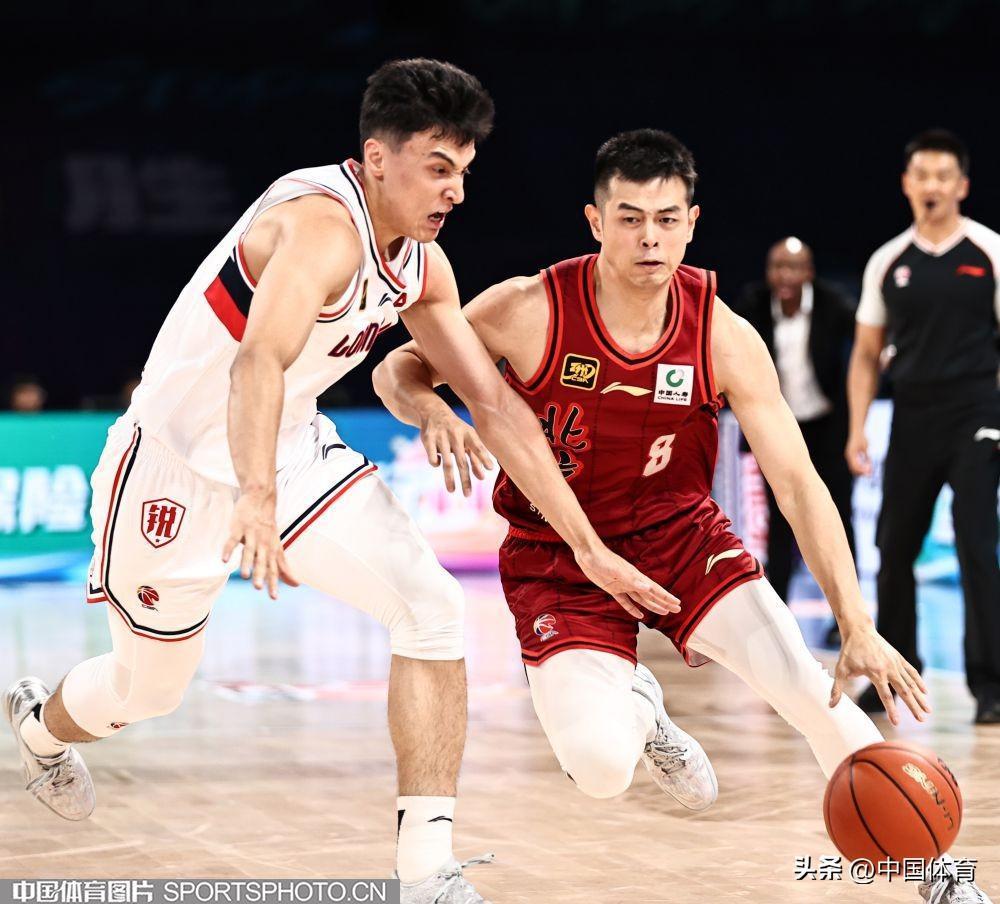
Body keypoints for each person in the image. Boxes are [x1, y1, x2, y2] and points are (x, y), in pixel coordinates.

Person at [3, 60, 674, 904]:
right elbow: (257, 361)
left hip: (291, 451)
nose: (456, 191)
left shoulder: (423, 266)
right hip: (174, 466)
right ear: (377, 158)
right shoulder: (320, 228)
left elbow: (496, 404)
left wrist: (588, 546)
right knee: (148, 691)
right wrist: (253, 497)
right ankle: (40, 726)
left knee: (430, 606)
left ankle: (425, 868)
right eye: (438, 167)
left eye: (465, 171)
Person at [375, 129, 991, 904]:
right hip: (559, 554)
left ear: (692, 223)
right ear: (595, 222)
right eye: (630, 218)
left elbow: (799, 483)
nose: (650, 238)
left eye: (667, 219)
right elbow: (398, 366)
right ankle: (643, 711)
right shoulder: (528, 308)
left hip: (678, 537)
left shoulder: (723, 334)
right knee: (600, 770)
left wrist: (856, 621)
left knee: (807, 686)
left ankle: (935, 875)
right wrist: (430, 408)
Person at [846, 129, 1000, 725]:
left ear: (961, 186)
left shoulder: (988, 251)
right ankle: (895, 672)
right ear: (907, 184)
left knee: (976, 544)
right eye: (922, 175)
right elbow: (866, 354)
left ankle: (990, 685)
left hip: (976, 414)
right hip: (911, 415)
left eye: (943, 176)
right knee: (893, 547)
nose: (932, 185)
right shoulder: (888, 261)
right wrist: (858, 428)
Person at [734, 238, 857, 644]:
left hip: (827, 427)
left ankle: (848, 621)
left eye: (794, 267)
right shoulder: (752, 305)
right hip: (778, 427)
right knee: (780, 521)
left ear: (809, 272)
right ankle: (778, 619)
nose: (785, 276)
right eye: (778, 267)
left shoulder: (834, 305)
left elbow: (867, 345)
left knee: (839, 518)